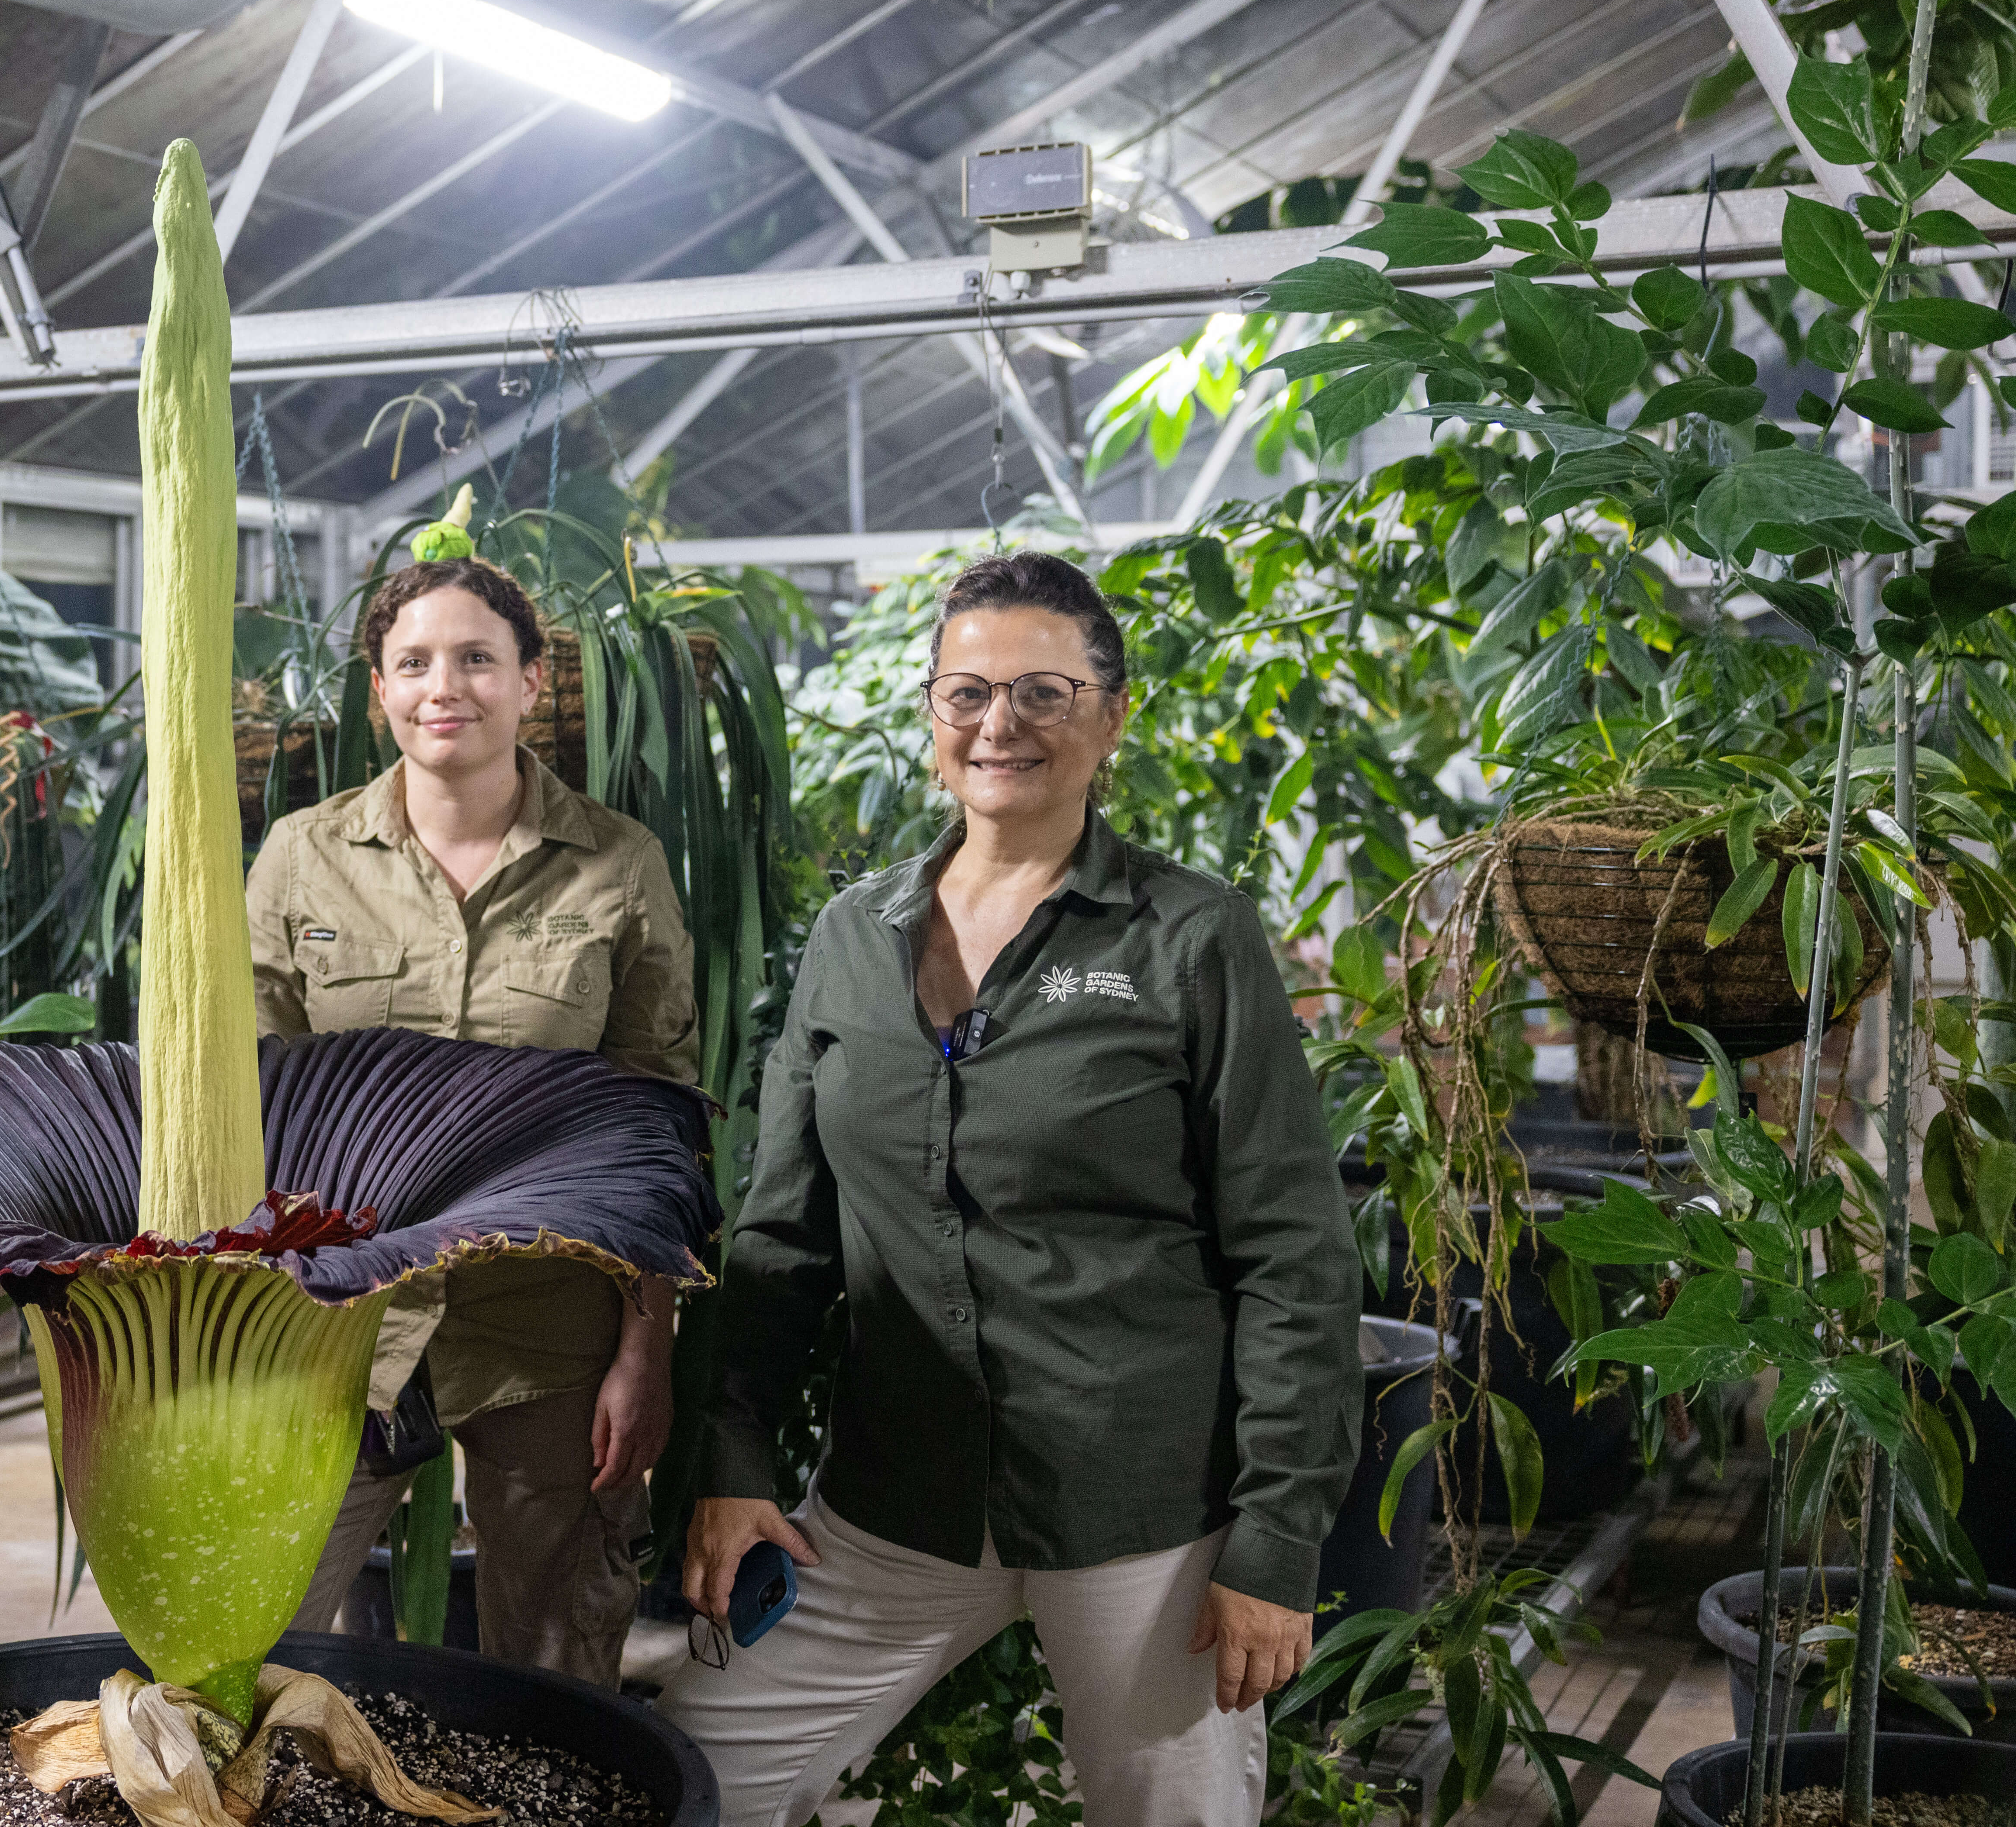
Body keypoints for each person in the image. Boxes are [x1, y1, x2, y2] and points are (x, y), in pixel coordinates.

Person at [658, 549, 1357, 1826]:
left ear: (1111, 715)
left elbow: (1294, 1258)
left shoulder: (1190, 938)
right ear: (930, 719)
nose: (1001, 725)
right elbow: (780, 1236)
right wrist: (735, 1455)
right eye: (965, 692)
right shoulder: (854, 938)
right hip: (895, 1504)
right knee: (699, 1772)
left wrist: (1275, 1542)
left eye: (1044, 691)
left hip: (1137, 1512)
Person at [247, 552, 699, 1687]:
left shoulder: (616, 864)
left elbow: (658, 1118)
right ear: (379, 693)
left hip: (550, 1323)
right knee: (257, 1630)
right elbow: (246, 1096)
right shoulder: (301, 857)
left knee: (556, 1661)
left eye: (478, 659)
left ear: (531, 681)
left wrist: (649, 1345)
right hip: (339, 1322)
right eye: (414, 663)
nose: (445, 685)